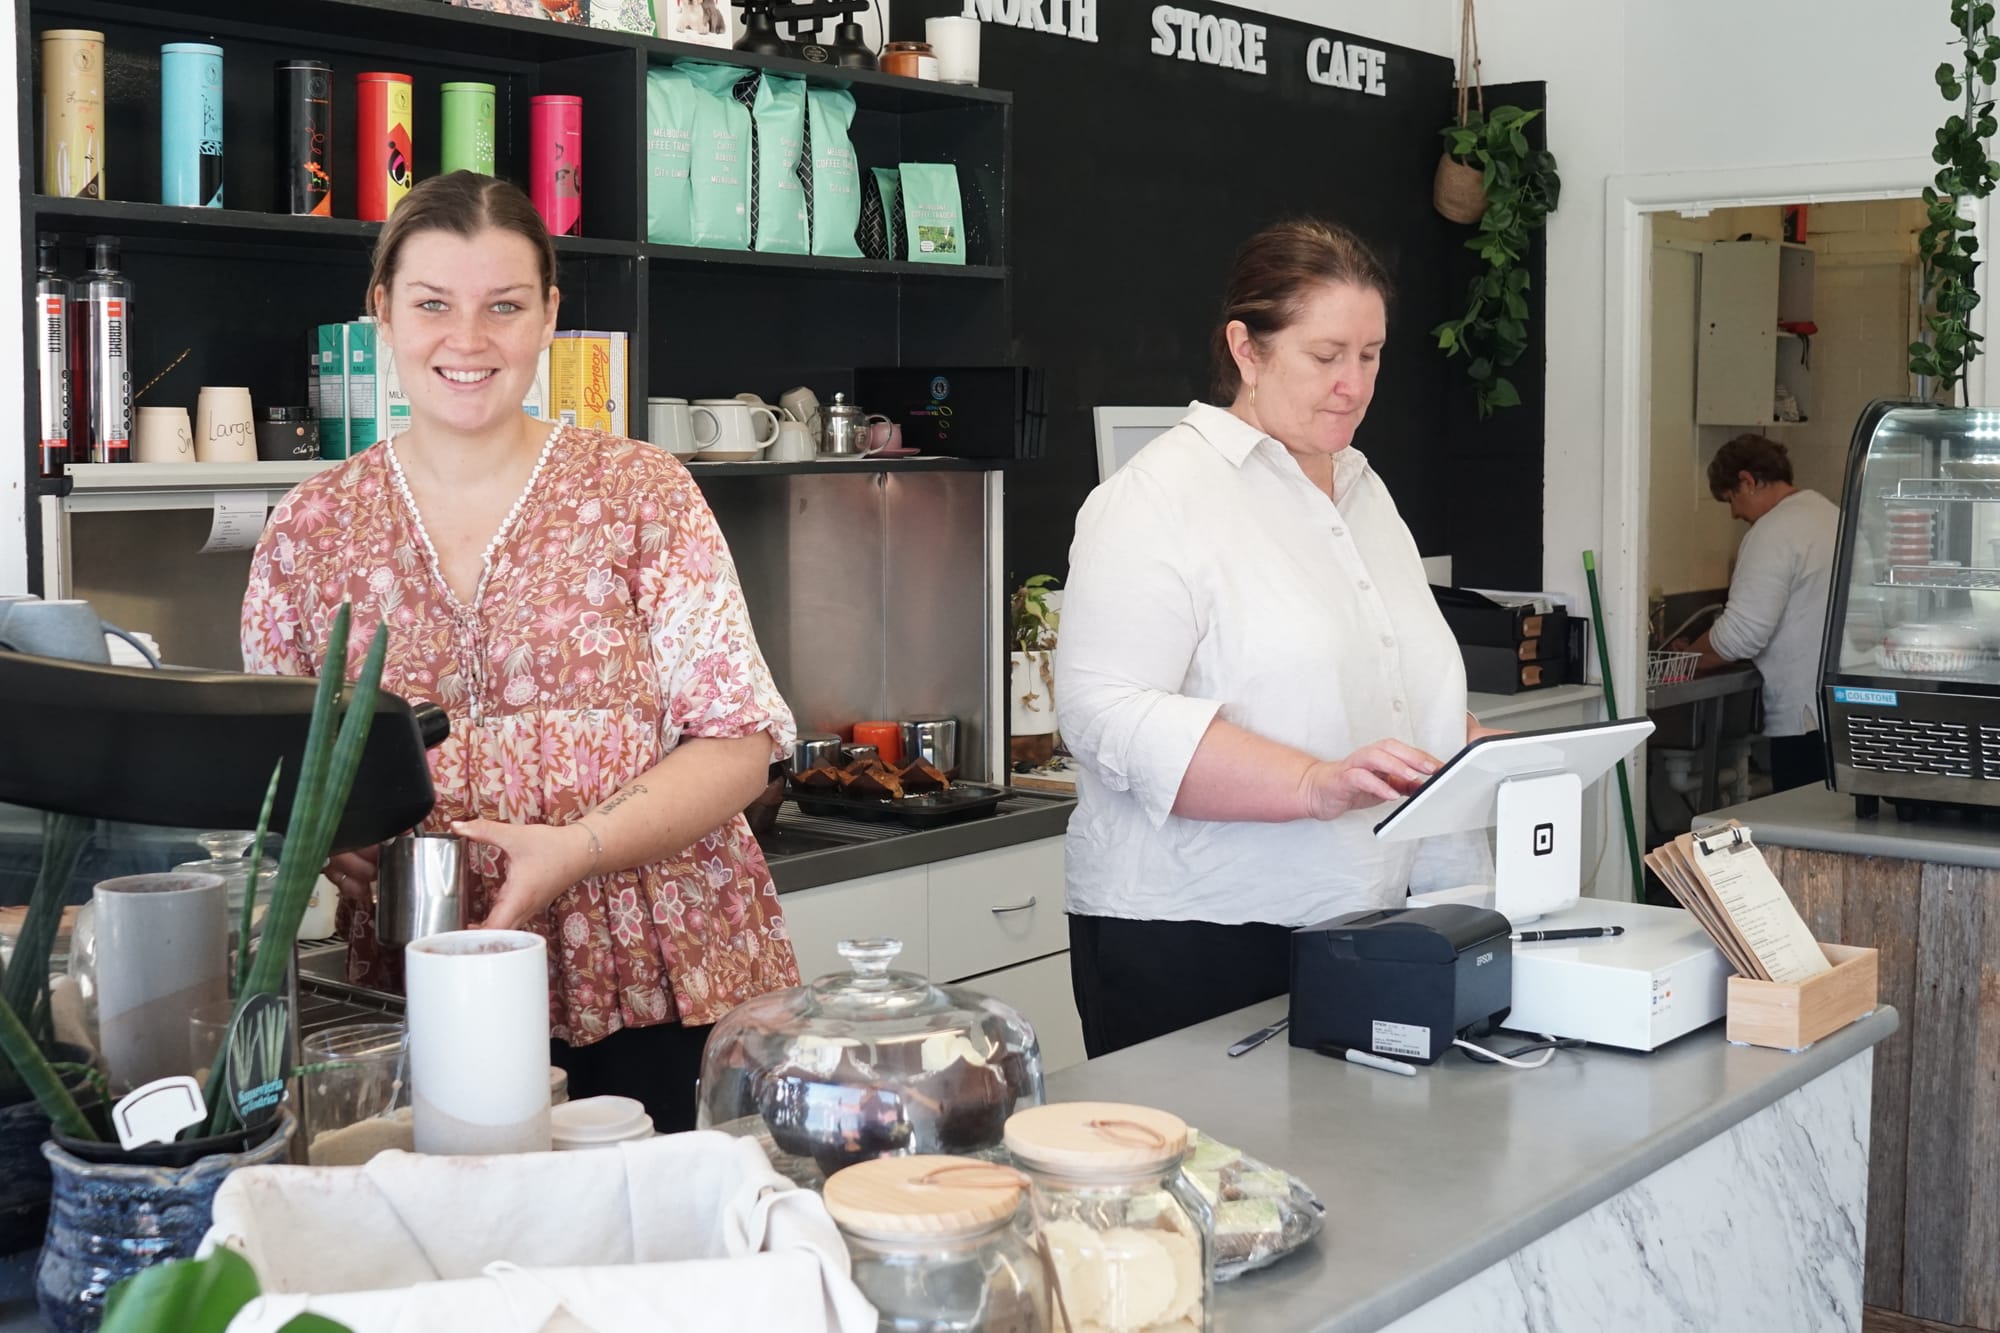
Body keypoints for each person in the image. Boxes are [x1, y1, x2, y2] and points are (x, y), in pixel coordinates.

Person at [241, 172, 800, 1131]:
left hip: (659, 974)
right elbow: (277, 764)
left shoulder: (641, 493)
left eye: (504, 305)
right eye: (432, 304)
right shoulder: (311, 528)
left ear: (548, 315)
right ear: (382, 311)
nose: (468, 339)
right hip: (429, 976)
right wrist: (329, 837)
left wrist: (575, 848)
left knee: (652, 1263)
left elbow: (742, 743)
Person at [1054, 219, 1496, 1059]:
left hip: (1364, 914)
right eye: (1325, 355)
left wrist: (1468, 754)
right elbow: (1103, 713)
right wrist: (1313, 783)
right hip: (1196, 933)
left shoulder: (1365, 493)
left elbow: (1390, 686)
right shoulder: (1157, 497)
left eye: (1370, 355)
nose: (1353, 383)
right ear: (1245, 348)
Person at [1680, 433, 1839, 792]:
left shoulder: (1773, 532)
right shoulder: (1831, 514)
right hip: (1841, 712)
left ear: (1747, 481)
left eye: (1730, 500)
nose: (1735, 513)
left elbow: (1740, 636)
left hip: (1805, 718)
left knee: (1801, 830)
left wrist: (1686, 659)